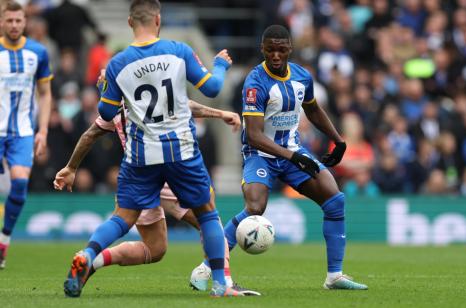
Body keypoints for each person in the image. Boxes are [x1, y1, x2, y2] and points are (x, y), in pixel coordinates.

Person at [62, 0, 248, 298]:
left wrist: (109, 86)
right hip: (181, 151)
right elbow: (213, 89)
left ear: (129, 22)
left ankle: (88, 253)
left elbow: (106, 113)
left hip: (141, 155)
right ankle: (221, 284)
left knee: (122, 218)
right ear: (158, 20)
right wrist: (220, 66)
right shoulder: (178, 51)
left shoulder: (119, 64)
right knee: (207, 214)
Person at [190, 25, 367, 291]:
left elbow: (314, 109)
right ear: (262, 49)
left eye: (281, 50)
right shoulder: (255, 82)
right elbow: (254, 135)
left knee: (334, 200)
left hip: (292, 152)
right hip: (260, 154)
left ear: (289, 49)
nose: (275, 55)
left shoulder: (301, 77)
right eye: (270, 50)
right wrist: (294, 157)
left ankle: (335, 276)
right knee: (255, 207)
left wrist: (338, 139)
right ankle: (207, 267)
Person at [53, 88, 249, 292]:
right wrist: (220, 113)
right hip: (170, 170)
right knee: (209, 219)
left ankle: (90, 259)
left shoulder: (116, 108)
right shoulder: (154, 85)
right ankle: (223, 282)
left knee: (153, 248)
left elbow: (90, 134)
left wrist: (71, 167)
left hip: (137, 174)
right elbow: (191, 101)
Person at [0, 1, 52, 269]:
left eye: (18, 21)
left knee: (20, 185)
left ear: (25, 22)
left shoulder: (38, 52)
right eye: (9, 21)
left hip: (21, 132)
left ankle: (3, 242)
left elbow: (45, 94)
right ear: (1, 22)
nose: (14, 25)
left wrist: (42, 130)